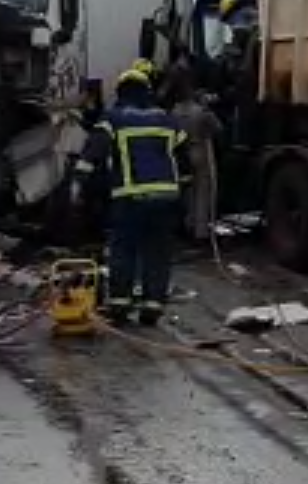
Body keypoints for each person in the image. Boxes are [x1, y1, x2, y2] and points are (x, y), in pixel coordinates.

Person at [83, 67, 185, 326]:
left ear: (121, 91)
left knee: (124, 250)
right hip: (165, 197)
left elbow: (95, 149)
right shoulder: (165, 118)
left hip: (130, 197)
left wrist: (80, 180)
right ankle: (152, 307)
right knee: (158, 252)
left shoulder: (114, 118)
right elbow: (184, 155)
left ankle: (120, 305)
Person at [166, 65, 221, 243]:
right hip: (201, 151)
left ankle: (187, 225)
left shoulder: (174, 111)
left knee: (186, 193)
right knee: (203, 192)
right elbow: (218, 129)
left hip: (181, 154)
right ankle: (201, 232)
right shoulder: (200, 111)